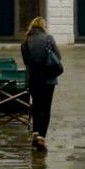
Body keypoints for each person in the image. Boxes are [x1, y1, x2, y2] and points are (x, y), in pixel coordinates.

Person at [21, 17, 61, 151]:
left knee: (36, 107)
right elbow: (58, 56)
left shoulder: (25, 40)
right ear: (43, 26)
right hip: (48, 79)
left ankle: (35, 134)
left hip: (33, 79)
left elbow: (26, 60)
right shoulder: (48, 38)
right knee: (46, 108)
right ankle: (41, 138)